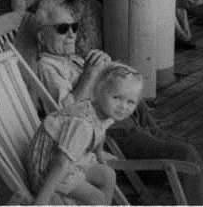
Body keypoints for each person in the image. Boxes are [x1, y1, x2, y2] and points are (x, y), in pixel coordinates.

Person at [28, 0, 203, 204]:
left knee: (197, 146)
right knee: (184, 154)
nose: (73, 34)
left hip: (123, 119)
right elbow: (66, 112)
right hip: (109, 135)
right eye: (62, 29)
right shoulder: (47, 67)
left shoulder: (70, 58)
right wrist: (90, 74)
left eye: (75, 27)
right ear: (42, 37)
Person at [26, 63, 140, 205]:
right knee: (97, 197)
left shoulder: (102, 111)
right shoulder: (83, 125)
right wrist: (42, 200)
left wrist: (99, 154)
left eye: (131, 102)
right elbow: (61, 162)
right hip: (47, 170)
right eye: (116, 98)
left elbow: (101, 131)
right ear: (98, 91)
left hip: (70, 159)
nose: (123, 106)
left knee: (108, 174)